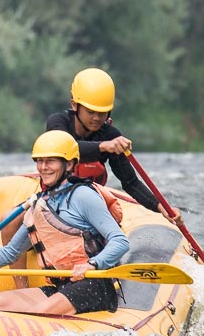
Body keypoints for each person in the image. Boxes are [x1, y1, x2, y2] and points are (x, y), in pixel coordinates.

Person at [0, 131, 129, 316]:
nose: (43, 167)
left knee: (39, 313)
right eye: (39, 161)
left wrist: (93, 264)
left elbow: (120, 241)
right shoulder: (40, 204)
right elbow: (10, 253)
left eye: (50, 161)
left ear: (69, 164)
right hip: (62, 287)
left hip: (92, 284)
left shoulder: (83, 195)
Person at [45, 67, 181, 222]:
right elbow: (64, 149)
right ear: (75, 105)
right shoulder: (57, 122)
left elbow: (130, 183)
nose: (96, 118)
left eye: (102, 113)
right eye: (90, 112)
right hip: (52, 197)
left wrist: (159, 206)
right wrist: (103, 146)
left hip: (87, 202)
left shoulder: (111, 135)